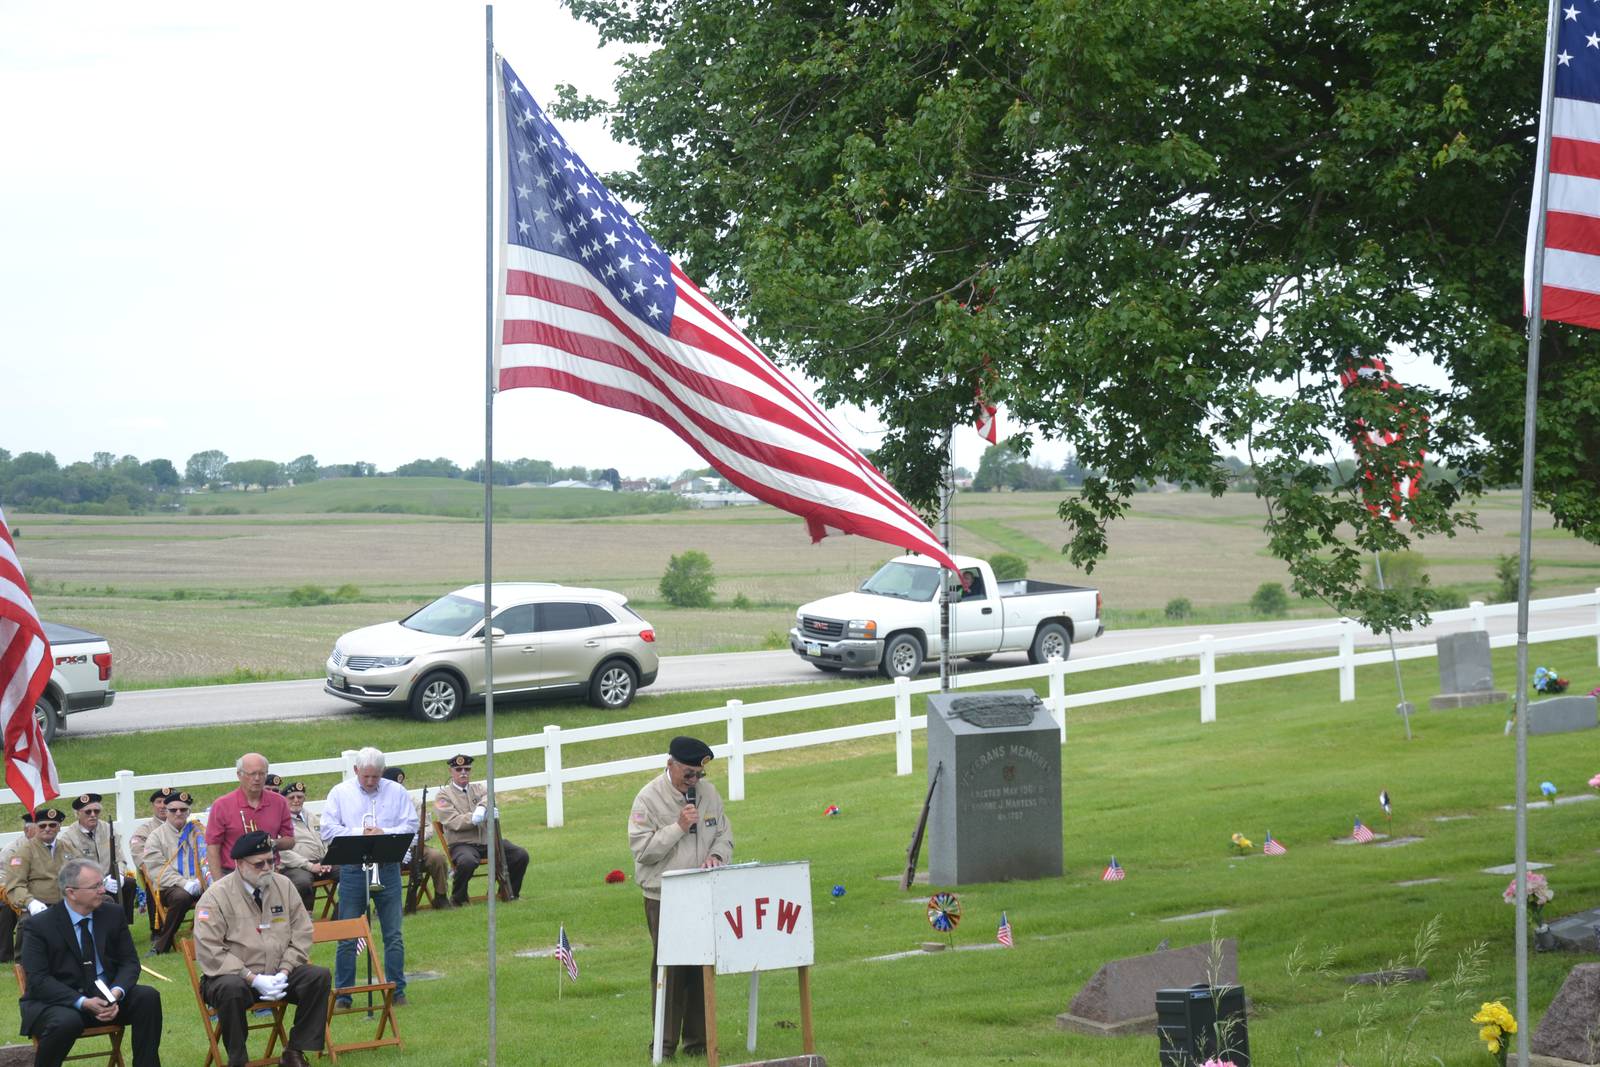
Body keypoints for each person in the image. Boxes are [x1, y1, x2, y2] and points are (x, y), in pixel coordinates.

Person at [628, 736, 734, 1059]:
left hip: (702, 892)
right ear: (670, 764)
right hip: (664, 896)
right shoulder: (647, 799)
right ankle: (663, 1045)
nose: (695, 781)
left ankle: (699, 1042)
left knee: (701, 966)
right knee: (670, 971)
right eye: (689, 774)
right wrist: (677, 827)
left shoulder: (708, 795)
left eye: (699, 775)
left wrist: (717, 857)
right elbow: (642, 851)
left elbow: (724, 834)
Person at [193, 832, 330, 1067]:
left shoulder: (283, 885)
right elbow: (210, 949)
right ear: (239, 864)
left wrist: (284, 971)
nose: (267, 868)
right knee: (230, 989)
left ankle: (294, 1051)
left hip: (277, 972)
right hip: (233, 976)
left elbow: (301, 932)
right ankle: (238, 1060)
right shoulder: (215, 896)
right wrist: (252, 978)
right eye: (259, 864)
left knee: (318, 976)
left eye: (271, 861)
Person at [19, 857, 163, 1067]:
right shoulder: (39, 926)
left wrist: (115, 994)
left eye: (102, 884)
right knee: (67, 1022)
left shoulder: (112, 914)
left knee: (148, 997)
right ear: (71, 892)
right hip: (58, 1002)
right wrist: (83, 1003)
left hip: (106, 996)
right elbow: (38, 980)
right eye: (95, 886)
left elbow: (129, 962)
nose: (103, 890)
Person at [320, 747, 416, 1007]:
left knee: (393, 934)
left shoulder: (396, 791)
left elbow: (410, 826)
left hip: (387, 868)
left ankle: (397, 991)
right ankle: (343, 995)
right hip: (353, 869)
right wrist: (360, 833)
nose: (371, 782)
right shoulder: (340, 793)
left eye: (375, 777)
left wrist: (384, 832)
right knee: (347, 935)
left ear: (382, 772)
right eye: (366, 777)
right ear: (355, 771)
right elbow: (328, 829)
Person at [434, 754, 530, 905]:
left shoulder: (478, 788)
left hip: (487, 840)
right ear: (451, 771)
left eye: (467, 769)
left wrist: (482, 807)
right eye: (459, 769)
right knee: (467, 862)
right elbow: (452, 821)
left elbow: (489, 796)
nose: (463, 772)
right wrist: (473, 817)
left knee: (520, 855)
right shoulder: (443, 795)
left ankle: (510, 893)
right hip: (462, 844)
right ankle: (458, 898)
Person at [205, 754, 294, 885]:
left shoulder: (279, 802)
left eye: (262, 773)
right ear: (239, 775)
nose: (257, 778)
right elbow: (213, 847)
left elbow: (290, 841)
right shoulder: (222, 805)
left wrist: (272, 843)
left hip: (268, 871)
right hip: (233, 874)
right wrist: (219, 884)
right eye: (252, 774)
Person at [140, 791, 207, 955]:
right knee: (181, 898)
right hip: (169, 887)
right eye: (173, 810)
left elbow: (208, 858)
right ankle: (161, 945)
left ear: (188, 812)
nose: (178, 813)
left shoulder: (197, 831)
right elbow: (156, 869)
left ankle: (215, 941)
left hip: (199, 883)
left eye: (183, 810)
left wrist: (203, 880)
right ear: (167, 812)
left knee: (220, 892)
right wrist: (185, 884)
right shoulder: (156, 836)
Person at [381, 767, 453, 909]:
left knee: (437, 857)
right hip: (388, 849)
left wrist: (416, 838)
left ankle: (441, 896)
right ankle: (383, 904)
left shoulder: (413, 801)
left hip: (416, 847)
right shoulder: (378, 802)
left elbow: (428, 827)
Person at [56, 794, 135, 922]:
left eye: (96, 811)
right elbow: (75, 868)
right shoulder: (69, 837)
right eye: (88, 811)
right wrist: (102, 881)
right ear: (78, 814)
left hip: (111, 875)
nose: (93, 814)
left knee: (129, 883)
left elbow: (120, 857)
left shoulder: (108, 829)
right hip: (87, 883)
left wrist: (119, 874)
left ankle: (124, 924)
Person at [6, 807, 69, 941]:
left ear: (59, 827)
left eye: (52, 825)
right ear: (36, 827)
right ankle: (22, 960)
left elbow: (81, 873)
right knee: (28, 921)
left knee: (103, 905)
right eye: (42, 826)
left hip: (68, 901)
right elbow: (15, 885)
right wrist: (30, 902)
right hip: (39, 904)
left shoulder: (67, 848)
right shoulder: (24, 851)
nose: (47, 829)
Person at [276, 782, 333, 913]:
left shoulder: (311, 817)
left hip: (322, 862)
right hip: (295, 866)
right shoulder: (280, 820)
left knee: (349, 871)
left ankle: (343, 917)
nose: (296, 801)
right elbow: (282, 852)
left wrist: (328, 860)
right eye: (292, 797)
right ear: (284, 799)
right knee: (303, 881)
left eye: (300, 797)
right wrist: (310, 866)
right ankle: (306, 919)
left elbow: (326, 839)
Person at [0, 812, 39, 961]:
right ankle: (5, 953)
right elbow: (2, 879)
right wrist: (19, 899)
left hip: (43, 892)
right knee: (4, 907)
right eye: (37, 829)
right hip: (15, 893)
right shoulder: (11, 850)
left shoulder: (50, 847)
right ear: (26, 831)